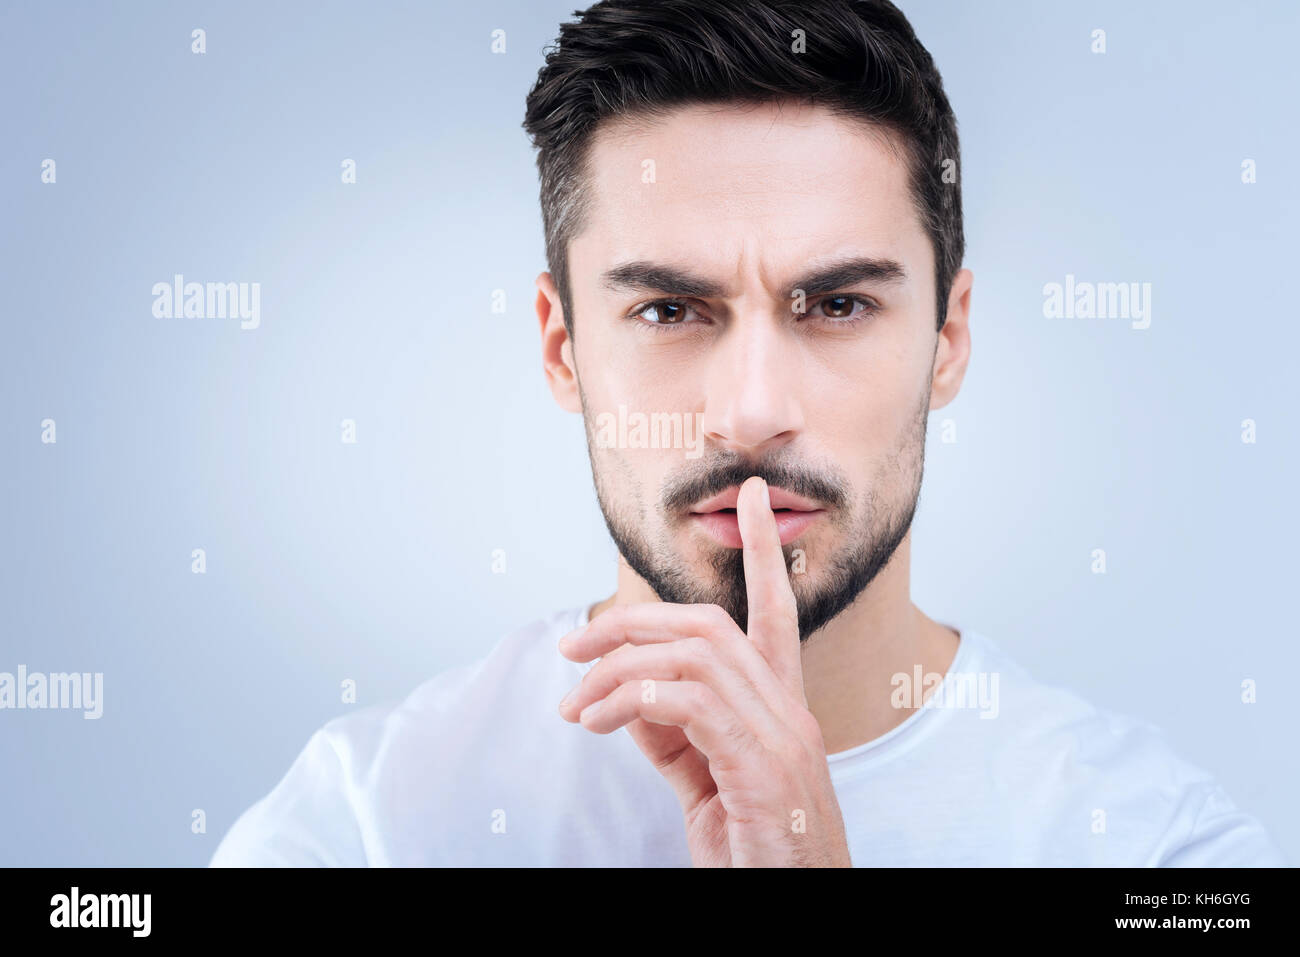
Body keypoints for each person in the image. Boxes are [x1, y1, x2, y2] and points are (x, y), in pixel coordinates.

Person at [211, 0, 1284, 867]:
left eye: (837, 304)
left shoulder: (1157, 853)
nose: (751, 410)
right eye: (670, 311)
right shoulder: (362, 829)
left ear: (949, 339)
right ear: (562, 348)